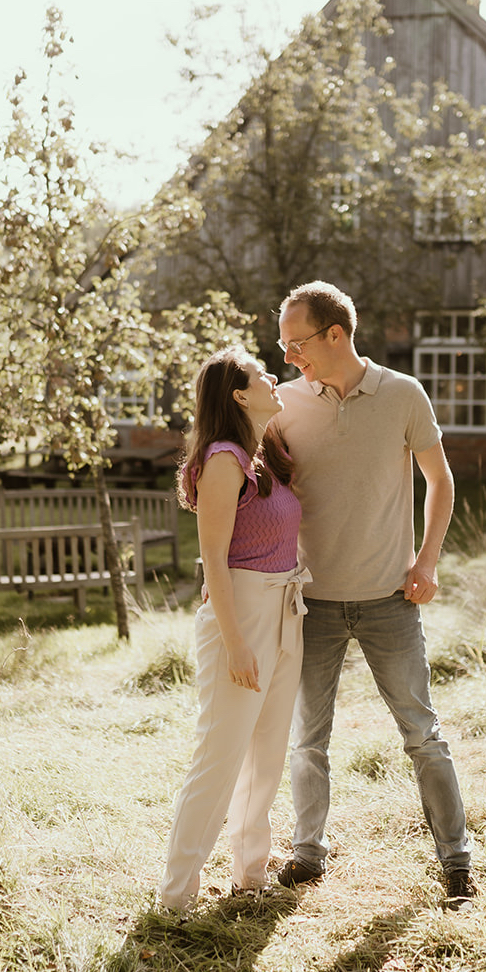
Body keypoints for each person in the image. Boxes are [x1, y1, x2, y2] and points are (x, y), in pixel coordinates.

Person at [271, 280, 476, 907]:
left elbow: (439, 480)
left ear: (336, 334)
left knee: (422, 732)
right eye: (282, 345)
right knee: (308, 737)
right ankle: (309, 851)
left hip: (392, 596)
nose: (287, 357)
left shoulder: (403, 395)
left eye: (297, 343)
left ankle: (457, 857)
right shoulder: (280, 404)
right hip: (311, 601)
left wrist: (428, 561)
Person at [158, 346, 312, 911]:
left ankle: (249, 875)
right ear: (238, 395)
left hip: (283, 606)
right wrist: (236, 642)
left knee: (267, 750)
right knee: (220, 755)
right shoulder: (224, 460)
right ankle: (176, 896)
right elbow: (213, 560)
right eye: (260, 374)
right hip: (240, 613)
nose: (275, 377)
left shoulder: (260, 452)